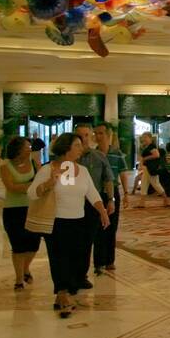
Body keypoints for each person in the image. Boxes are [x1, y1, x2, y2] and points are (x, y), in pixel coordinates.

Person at [31, 133, 110, 318]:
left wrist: (103, 211)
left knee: (77, 257)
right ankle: (62, 293)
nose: (81, 149)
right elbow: (32, 193)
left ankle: (66, 292)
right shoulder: (48, 169)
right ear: (66, 148)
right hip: (56, 221)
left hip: (79, 220)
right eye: (77, 145)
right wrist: (49, 183)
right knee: (59, 258)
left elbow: (92, 192)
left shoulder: (82, 170)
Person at [74, 123, 114, 291]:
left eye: (86, 135)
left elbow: (108, 179)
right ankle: (73, 274)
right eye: (80, 136)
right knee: (74, 241)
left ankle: (83, 274)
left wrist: (111, 200)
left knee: (90, 239)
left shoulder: (98, 157)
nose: (83, 139)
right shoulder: (68, 160)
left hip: (92, 204)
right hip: (73, 204)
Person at [0, 137, 43, 290]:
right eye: (27, 146)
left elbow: (41, 179)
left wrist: (26, 186)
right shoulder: (5, 165)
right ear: (18, 149)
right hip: (13, 210)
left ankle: (25, 268)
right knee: (18, 245)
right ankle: (19, 279)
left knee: (34, 244)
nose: (30, 148)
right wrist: (32, 185)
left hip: (32, 208)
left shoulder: (33, 162)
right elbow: (11, 187)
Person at [95, 124, 125, 273]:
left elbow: (123, 173)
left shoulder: (116, 153)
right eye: (96, 133)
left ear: (108, 135)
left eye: (100, 133)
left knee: (112, 227)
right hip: (98, 194)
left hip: (113, 193)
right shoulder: (93, 154)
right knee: (99, 228)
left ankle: (109, 260)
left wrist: (126, 193)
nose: (97, 136)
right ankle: (98, 262)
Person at [136, 131, 170, 207]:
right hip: (148, 168)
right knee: (144, 184)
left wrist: (145, 158)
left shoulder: (152, 147)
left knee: (155, 184)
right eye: (143, 138)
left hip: (151, 169)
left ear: (150, 138)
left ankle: (166, 200)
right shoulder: (147, 147)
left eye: (146, 138)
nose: (144, 139)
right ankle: (142, 202)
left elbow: (156, 155)